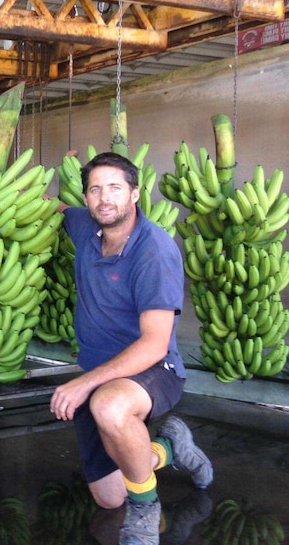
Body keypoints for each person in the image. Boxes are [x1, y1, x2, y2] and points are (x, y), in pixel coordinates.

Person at [49, 152, 213, 544]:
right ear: (86, 198)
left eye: (115, 188)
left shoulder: (153, 251)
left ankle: (145, 510)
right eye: (95, 189)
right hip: (100, 371)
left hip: (154, 368)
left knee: (110, 404)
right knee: (109, 498)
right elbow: (51, 206)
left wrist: (84, 384)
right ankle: (169, 448)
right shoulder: (84, 227)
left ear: (135, 193)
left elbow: (155, 343)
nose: (105, 198)